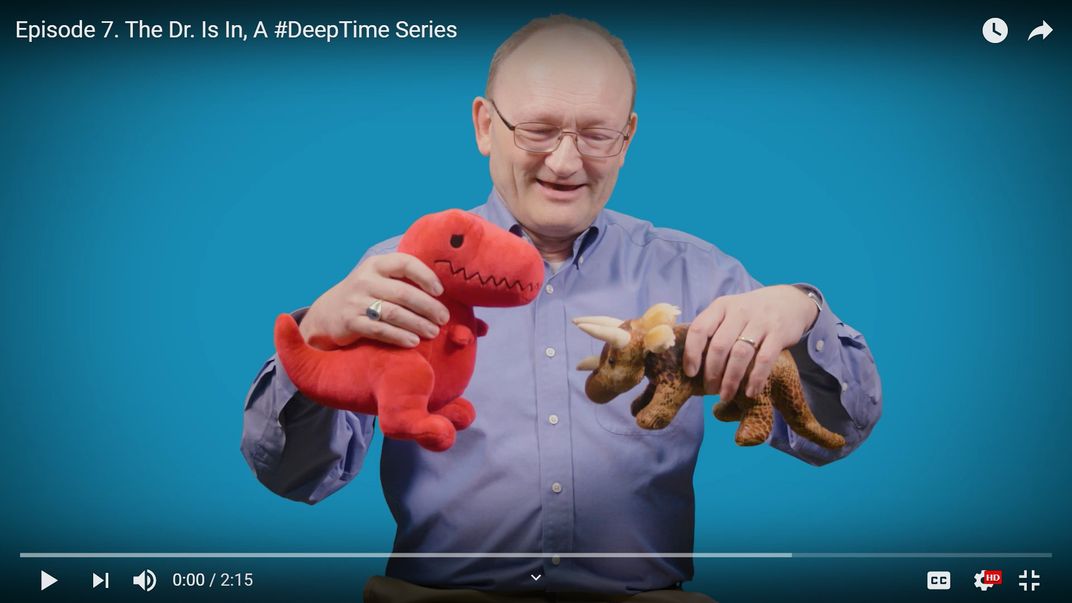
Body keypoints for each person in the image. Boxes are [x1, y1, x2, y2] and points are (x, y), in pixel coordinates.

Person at [241, 14, 881, 602]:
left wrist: (803, 313)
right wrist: (316, 344)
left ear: (627, 137)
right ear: (486, 127)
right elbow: (294, 477)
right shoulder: (398, 274)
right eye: (539, 130)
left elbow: (836, 436)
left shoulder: (702, 275)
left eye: (597, 133)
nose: (567, 161)